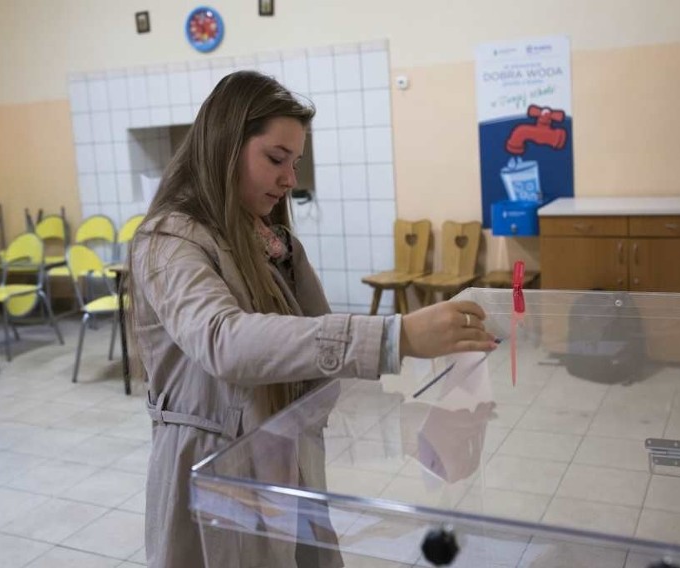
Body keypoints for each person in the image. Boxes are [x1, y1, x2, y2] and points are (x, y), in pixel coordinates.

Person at [126, 71, 497, 568]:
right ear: (223, 146)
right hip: (215, 472)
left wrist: (413, 426)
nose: (290, 179)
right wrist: (398, 334)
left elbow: (317, 357)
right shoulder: (169, 241)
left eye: (295, 162)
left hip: (282, 459)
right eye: (276, 159)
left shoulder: (272, 241)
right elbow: (225, 341)